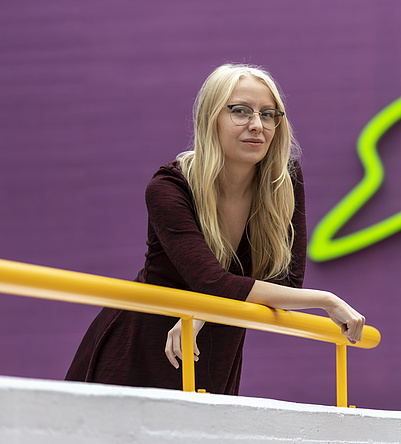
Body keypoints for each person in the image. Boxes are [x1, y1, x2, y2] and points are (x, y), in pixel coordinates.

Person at [65, 63, 365, 395]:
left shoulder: (284, 181)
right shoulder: (170, 185)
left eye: (268, 114)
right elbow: (212, 283)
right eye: (240, 111)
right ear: (212, 118)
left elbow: (285, 284)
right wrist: (325, 300)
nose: (256, 125)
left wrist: (205, 311)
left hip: (213, 353)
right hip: (140, 350)